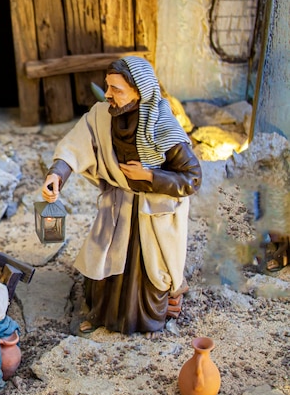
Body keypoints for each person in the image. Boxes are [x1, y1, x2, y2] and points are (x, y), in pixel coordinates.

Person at [42, 56, 202, 336]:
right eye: (107, 87)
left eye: (117, 89)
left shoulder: (163, 126)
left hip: (152, 216)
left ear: (140, 91)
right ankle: (100, 313)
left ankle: (149, 316)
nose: (108, 95)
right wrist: (57, 173)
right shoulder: (102, 116)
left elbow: (192, 178)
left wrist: (150, 177)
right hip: (117, 207)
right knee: (104, 264)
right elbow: (76, 144)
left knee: (147, 274)